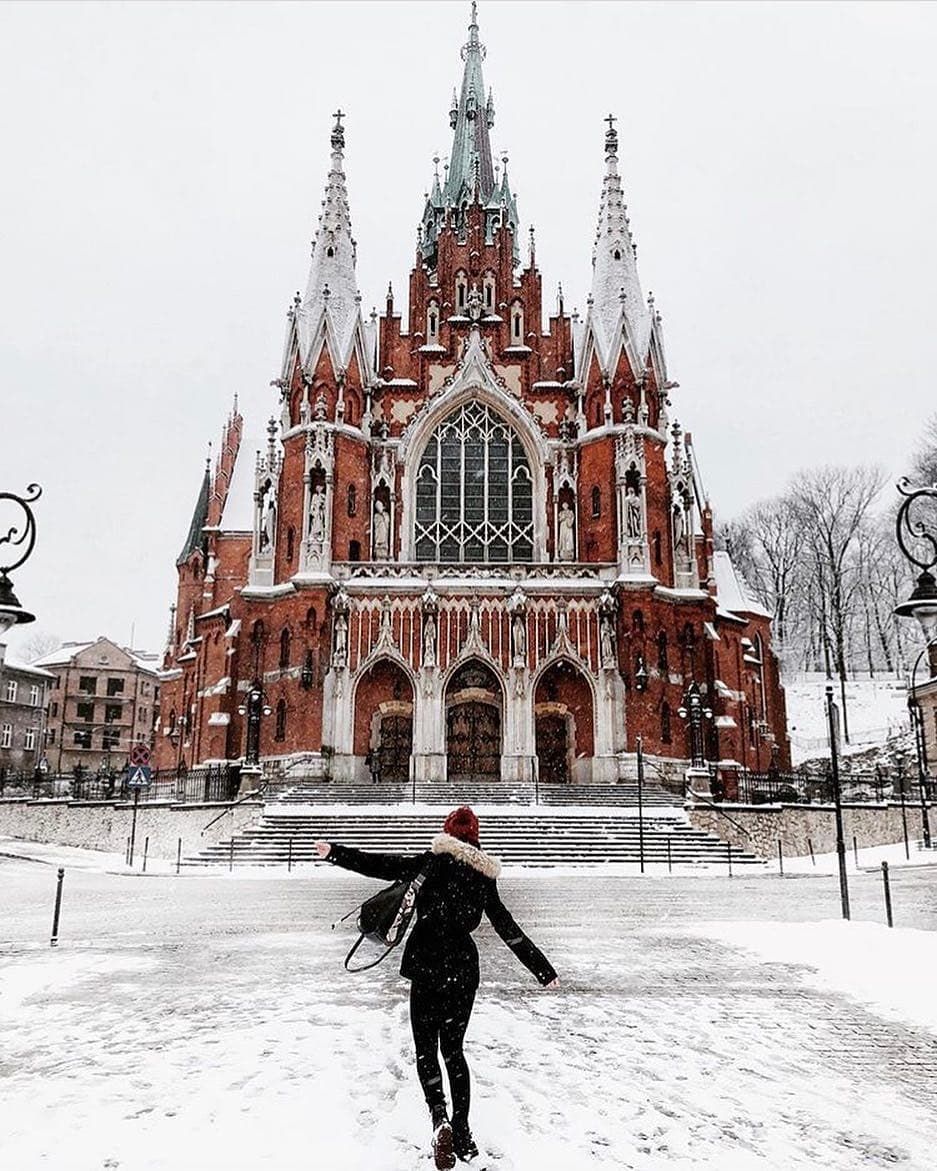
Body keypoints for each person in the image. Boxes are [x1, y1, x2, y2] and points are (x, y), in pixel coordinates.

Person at [315, 807, 558, 1169]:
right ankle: (463, 1131)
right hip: (462, 967)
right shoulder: (483, 876)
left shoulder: (429, 864)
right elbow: (506, 926)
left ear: (446, 833)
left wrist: (335, 852)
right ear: (476, 837)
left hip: (427, 962)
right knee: (454, 1051)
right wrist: (543, 970)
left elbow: (379, 865)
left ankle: (438, 1116)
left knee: (426, 1049)